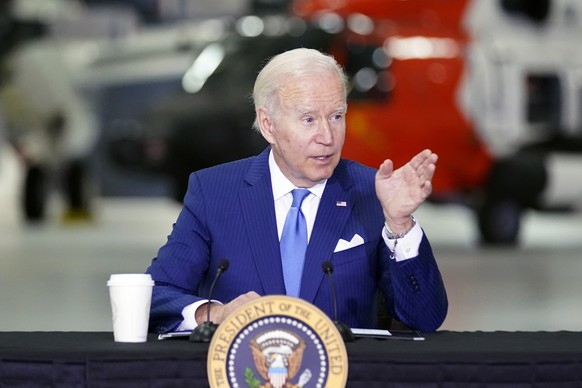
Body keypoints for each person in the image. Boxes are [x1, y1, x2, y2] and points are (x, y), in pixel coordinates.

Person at [145, 48, 448, 334]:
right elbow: (155, 296)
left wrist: (400, 225)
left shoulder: (373, 193)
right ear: (268, 125)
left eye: (336, 116)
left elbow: (425, 318)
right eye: (308, 119)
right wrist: (213, 315)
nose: (328, 137)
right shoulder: (214, 192)